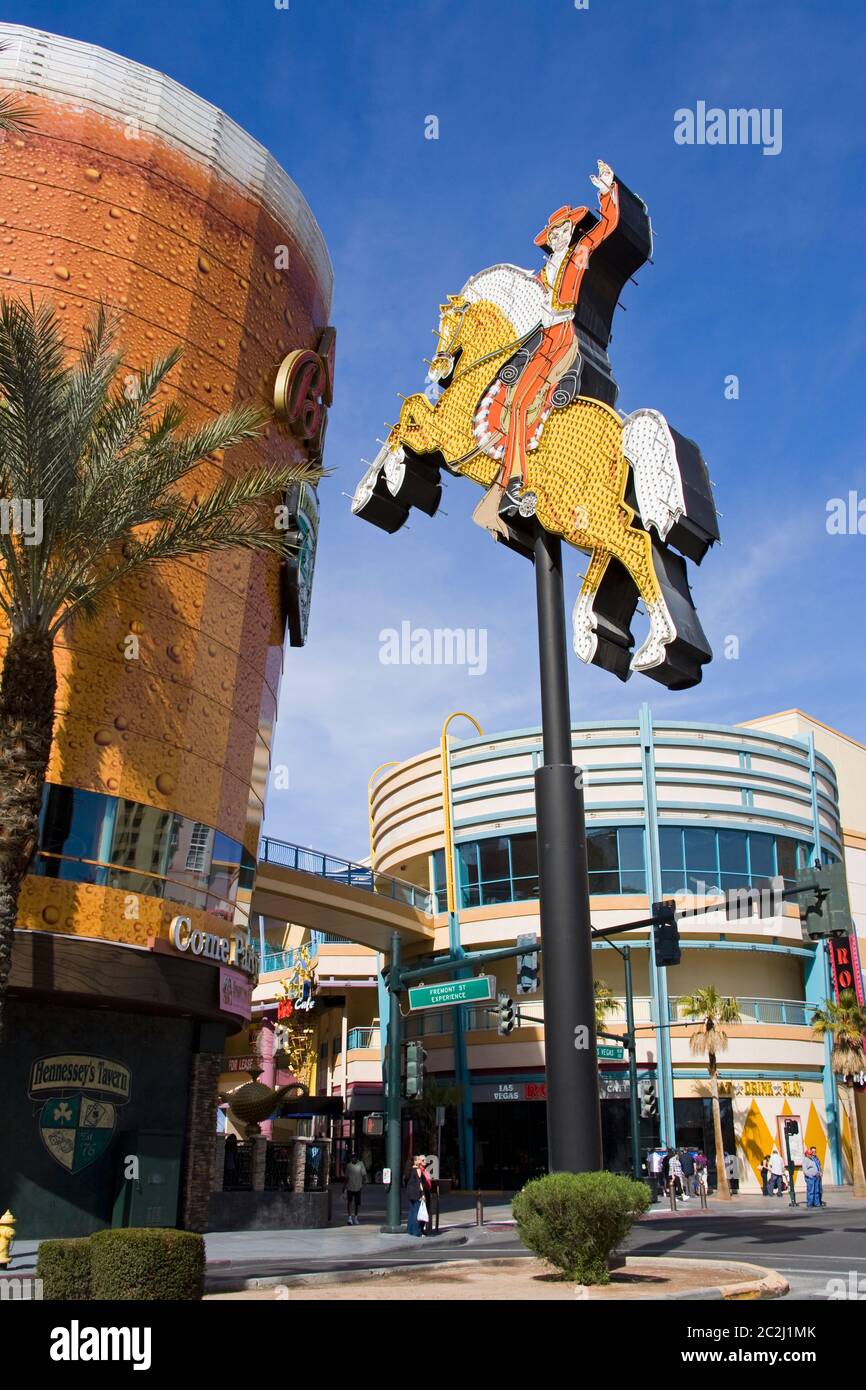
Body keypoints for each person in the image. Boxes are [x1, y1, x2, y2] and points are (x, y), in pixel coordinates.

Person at [474, 161, 621, 521]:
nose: (559, 236)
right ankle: (511, 477)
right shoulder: (541, 272)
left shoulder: (579, 254)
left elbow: (608, 227)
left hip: (561, 335)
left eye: (564, 229)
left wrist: (607, 190)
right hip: (540, 337)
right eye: (554, 232)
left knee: (523, 405)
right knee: (512, 400)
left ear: (572, 231)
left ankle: (515, 483)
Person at [406, 1155, 429, 1237]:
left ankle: (410, 1230)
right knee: (417, 1212)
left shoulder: (410, 1169)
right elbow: (419, 1183)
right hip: (416, 1193)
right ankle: (417, 1232)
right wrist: (422, 1194)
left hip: (410, 1192)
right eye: (419, 1159)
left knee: (411, 1211)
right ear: (415, 1161)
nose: (420, 1160)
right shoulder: (417, 1170)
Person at [344, 1152, 367, 1226]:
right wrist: (344, 1186)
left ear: (357, 1158)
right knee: (349, 1202)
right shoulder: (348, 1165)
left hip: (358, 1187)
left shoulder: (361, 1164)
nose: (353, 1158)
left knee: (357, 1203)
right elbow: (346, 1177)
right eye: (352, 1157)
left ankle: (356, 1217)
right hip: (350, 1187)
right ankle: (349, 1218)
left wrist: (363, 1182)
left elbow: (364, 1175)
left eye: (354, 1157)